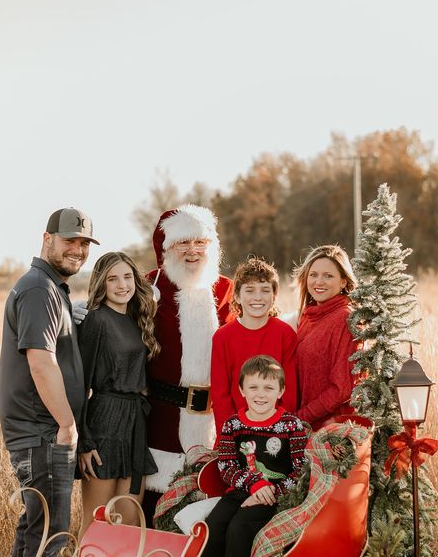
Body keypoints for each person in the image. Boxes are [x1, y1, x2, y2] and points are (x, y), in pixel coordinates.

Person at [0, 207, 99, 557]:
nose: (77, 250)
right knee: (51, 532)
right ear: (46, 238)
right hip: (43, 431)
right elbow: (40, 363)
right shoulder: (40, 288)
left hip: (39, 429)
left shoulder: (51, 288)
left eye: (83, 244)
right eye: (69, 241)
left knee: (33, 524)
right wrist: (67, 424)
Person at [144, 204, 233, 509]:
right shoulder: (147, 288)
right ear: (166, 248)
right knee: (155, 508)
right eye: (183, 242)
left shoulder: (229, 290)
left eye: (201, 242)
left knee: (201, 510)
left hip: (214, 423)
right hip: (160, 422)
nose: (193, 250)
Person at [196, 355, 307, 557]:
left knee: (240, 528)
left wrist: (271, 491)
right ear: (241, 390)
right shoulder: (233, 425)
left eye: (269, 388)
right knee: (213, 526)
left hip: (275, 497)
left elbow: (300, 471)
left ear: (281, 391)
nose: (260, 394)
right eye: (253, 387)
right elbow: (226, 466)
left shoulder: (292, 426)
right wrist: (253, 485)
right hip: (239, 491)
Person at [77, 252, 160, 539]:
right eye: (113, 279)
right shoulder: (96, 320)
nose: (122, 285)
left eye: (127, 277)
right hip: (104, 422)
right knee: (96, 523)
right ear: (102, 284)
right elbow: (80, 385)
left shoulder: (138, 319)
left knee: (129, 522)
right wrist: (84, 442)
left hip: (135, 423)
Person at [211, 257, 297, 441]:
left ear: (274, 296)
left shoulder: (285, 334)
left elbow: (289, 392)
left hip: (277, 434)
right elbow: (221, 396)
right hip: (235, 433)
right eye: (249, 290)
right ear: (237, 296)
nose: (258, 297)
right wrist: (230, 436)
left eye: (265, 290)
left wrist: (279, 432)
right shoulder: (223, 337)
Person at [292, 244, 359, 430]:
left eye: (328, 276)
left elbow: (342, 389)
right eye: (313, 275)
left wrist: (301, 418)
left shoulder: (346, 318)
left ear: (344, 281)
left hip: (330, 432)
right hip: (305, 428)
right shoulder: (309, 315)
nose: (318, 282)